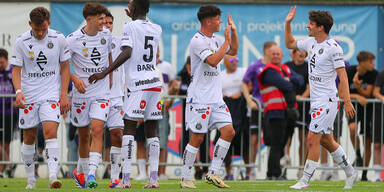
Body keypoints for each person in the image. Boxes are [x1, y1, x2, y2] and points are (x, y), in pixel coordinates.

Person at [89, 0, 162, 188]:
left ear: (134, 8)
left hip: (137, 84)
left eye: (131, 4)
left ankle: (126, 179)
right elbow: (143, 32)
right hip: (154, 82)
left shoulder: (129, 26)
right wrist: (136, 14)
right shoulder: (156, 28)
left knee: (129, 128)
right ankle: (153, 178)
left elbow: (127, 52)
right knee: (152, 131)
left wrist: (105, 72)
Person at [285, 6, 357, 189]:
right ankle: (351, 172)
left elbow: (343, 76)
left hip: (327, 101)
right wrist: (287, 23)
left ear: (320, 27)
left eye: (311, 24)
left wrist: (347, 101)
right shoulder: (310, 43)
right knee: (326, 140)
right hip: (316, 101)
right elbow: (290, 43)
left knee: (312, 138)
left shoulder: (333, 48)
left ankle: (305, 180)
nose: (308, 26)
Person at [179, 5, 238, 189]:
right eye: (218, 19)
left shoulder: (217, 39)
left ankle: (213, 173)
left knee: (229, 132)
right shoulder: (197, 41)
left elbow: (233, 51)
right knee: (197, 138)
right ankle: (186, 177)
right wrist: (226, 43)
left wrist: (233, 34)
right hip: (199, 98)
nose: (220, 22)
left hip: (216, 98)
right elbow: (213, 61)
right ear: (208, 21)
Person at [11, 7, 71, 189]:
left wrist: (63, 95)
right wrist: (18, 92)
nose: (40, 32)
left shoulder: (59, 38)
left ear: (49, 24)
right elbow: (16, 70)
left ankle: (53, 176)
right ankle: (31, 179)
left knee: (50, 133)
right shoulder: (21, 41)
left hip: (51, 94)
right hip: (29, 96)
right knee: (28, 136)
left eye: (43, 29)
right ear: (30, 24)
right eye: (37, 29)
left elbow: (65, 67)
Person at [67, 3, 112, 189]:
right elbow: (60, 65)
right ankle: (82, 174)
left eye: (105, 18)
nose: (105, 22)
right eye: (101, 19)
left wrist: (109, 81)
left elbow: (109, 59)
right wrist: (73, 77)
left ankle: (92, 174)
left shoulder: (106, 36)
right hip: (81, 94)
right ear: (89, 20)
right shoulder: (73, 39)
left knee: (98, 129)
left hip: (101, 92)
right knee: (84, 135)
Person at [258, 45, 303, 180]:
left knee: (282, 144)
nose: (276, 56)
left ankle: (274, 173)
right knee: (276, 144)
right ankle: (273, 173)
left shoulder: (285, 68)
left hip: (288, 112)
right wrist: (289, 81)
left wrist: (290, 80)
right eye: (273, 54)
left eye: (278, 53)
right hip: (275, 112)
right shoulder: (268, 71)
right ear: (268, 56)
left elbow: (301, 80)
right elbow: (286, 85)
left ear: (282, 55)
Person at [241, 41, 276, 179]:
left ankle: (271, 171)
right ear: (266, 50)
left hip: (272, 107)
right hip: (258, 106)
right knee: (254, 138)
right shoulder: (255, 66)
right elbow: (244, 83)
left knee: (272, 139)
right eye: (273, 51)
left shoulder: (276, 66)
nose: (275, 54)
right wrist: (249, 100)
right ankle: (251, 171)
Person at [346, 51, 377, 181]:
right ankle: (358, 155)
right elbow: (343, 93)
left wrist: (358, 88)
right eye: (370, 61)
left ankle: (364, 174)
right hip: (353, 106)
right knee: (352, 128)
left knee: (367, 141)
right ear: (362, 62)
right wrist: (356, 96)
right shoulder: (350, 71)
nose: (373, 64)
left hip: (368, 109)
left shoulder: (373, 74)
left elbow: (368, 95)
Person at [103, 10, 124, 188]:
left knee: (117, 135)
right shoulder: (85, 42)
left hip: (116, 97)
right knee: (89, 136)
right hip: (93, 97)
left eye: (110, 23)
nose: (107, 26)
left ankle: (115, 178)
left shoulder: (120, 42)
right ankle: (83, 173)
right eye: (104, 22)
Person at [219, 54, 248, 180]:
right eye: (231, 60)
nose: (234, 62)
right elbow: (213, 89)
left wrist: (241, 93)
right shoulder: (220, 75)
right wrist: (222, 94)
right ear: (224, 62)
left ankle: (249, 172)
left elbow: (250, 86)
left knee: (244, 144)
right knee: (225, 142)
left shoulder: (243, 72)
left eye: (236, 59)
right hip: (226, 110)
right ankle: (228, 172)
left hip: (241, 111)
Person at [282, 48, 309, 179]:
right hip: (289, 105)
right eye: (299, 52)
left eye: (304, 53)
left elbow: (310, 86)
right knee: (286, 137)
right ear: (294, 54)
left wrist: (302, 97)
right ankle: (284, 166)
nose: (301, 54)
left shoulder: (309, 67)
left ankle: (302, 169)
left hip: (304, 106)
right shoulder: (286, 66)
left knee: (303, 139)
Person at [155, 48, 178, 180]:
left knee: (162, 141)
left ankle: (162, 172)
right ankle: (147, 171)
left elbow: (174, 85)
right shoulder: (144, 65)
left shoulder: (167, 67)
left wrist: (171, 101)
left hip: (162, 108)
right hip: (147, 108)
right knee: (148, 141)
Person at [0, 48, 18, 178]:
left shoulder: (13, 71)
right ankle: (9, 165)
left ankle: (2, 170)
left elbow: (19, 87)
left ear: (7, 60)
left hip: (9, 113)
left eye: (2, 62)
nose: (0, 65)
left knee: (6, 142)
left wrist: (16, 99)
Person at [372, 57, 384, 182]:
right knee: (377, 144)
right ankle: (376, 175)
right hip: (380, 113)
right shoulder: (382, 74)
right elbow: (375, 92)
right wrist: (382, 98)